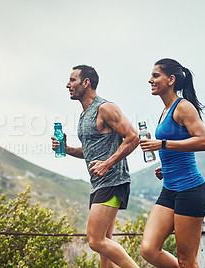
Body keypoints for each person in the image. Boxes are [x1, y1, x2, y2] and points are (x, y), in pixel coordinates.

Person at [51, 65, 139, 268]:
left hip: (113, 181)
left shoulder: (105, 108)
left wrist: (108, 164)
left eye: (72, 80)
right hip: (99, 183)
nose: (67, 85)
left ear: (86, 82)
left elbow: (133, 137)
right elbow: (91, 151)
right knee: (104, 249)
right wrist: (68, 149)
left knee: (95, 240)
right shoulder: (84, 115)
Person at [139, 58, 205, 268]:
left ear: (171, 79)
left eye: (155, 75)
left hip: (191, 190)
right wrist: (167, 167)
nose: (150, 80)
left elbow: (203, 141)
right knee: (149, 249)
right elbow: (179, 144)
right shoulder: (165, 110)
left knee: (187, 260)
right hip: (169, 188)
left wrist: (162, 143)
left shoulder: (183, 107)